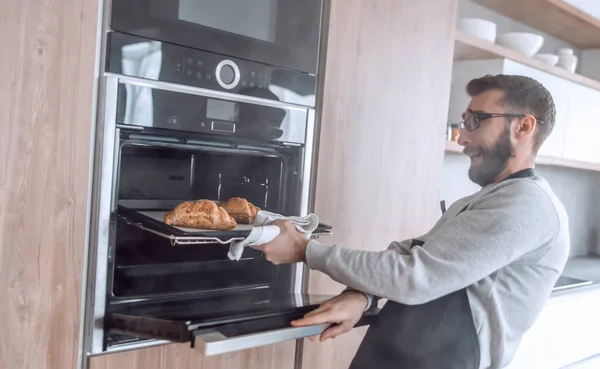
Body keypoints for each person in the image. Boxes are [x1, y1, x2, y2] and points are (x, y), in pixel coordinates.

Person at [253, 74, 570, 369]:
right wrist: (363, 295)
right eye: (464, 122)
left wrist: (305, 249)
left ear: (524, 127)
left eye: (475, 121)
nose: (462, 137)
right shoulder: (485, 199)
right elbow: (409, 254)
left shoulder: (527, 204)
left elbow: (415, 278)